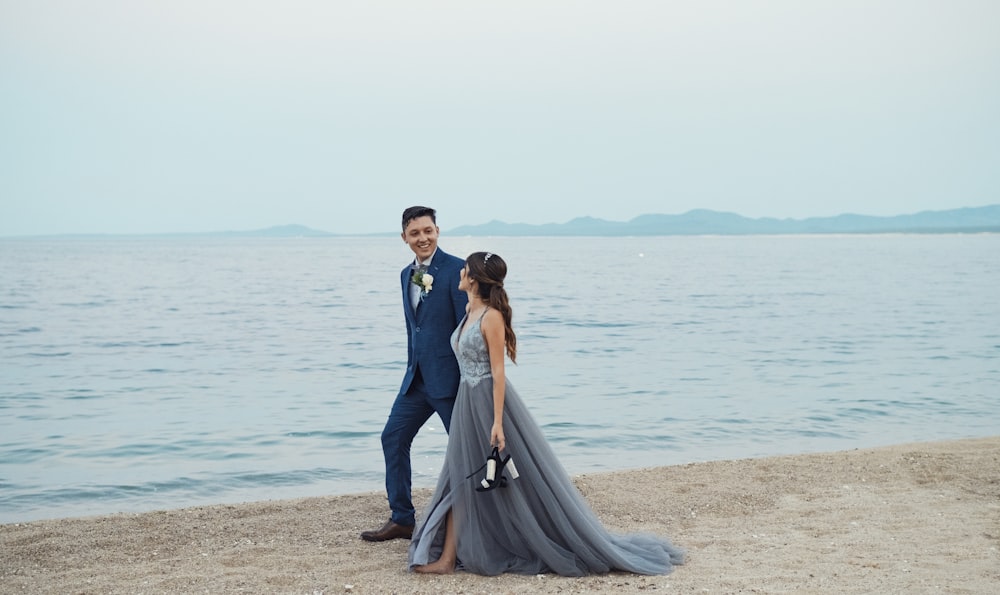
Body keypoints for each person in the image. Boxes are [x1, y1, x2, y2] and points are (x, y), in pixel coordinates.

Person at [409, 251, 684, 576]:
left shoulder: (491, 317)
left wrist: (497, 422)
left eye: (464, 269)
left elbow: (498, 373)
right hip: (466, 403)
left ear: (474, 278)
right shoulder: (470, 309)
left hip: (487, 402)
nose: (460, 272)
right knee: (458, 474)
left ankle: (458, 556)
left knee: (498, 478)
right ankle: (448, 558)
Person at [360, 206, 469, 542]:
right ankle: (402, 518)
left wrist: (468, 380)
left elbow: (464, 329)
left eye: (428, 231)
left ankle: (476, 521)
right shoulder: (405, 274)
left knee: (467, 451)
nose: (422, 238)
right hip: (416, 380)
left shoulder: (456, 270)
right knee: (392, 437)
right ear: (404, 237)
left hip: (450, 382)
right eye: (415, 233)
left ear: (437, 231)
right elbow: (416, 327)